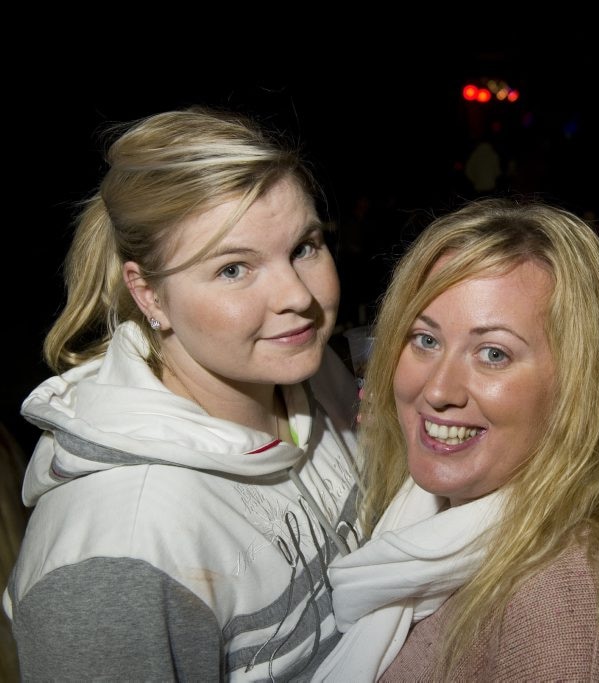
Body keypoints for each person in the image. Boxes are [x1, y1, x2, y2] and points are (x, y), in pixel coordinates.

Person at [2, 106, 363, 680]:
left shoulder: (314, 377)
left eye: (304, 247)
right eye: (233, 270)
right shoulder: (118, 558)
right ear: (147, 295)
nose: (297, 296)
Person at [314, 197, 599, 681]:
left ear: (578, 387)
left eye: (493, 353)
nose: (438, 390)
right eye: (425, 340)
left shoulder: (570, 618)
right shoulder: (427, 512)